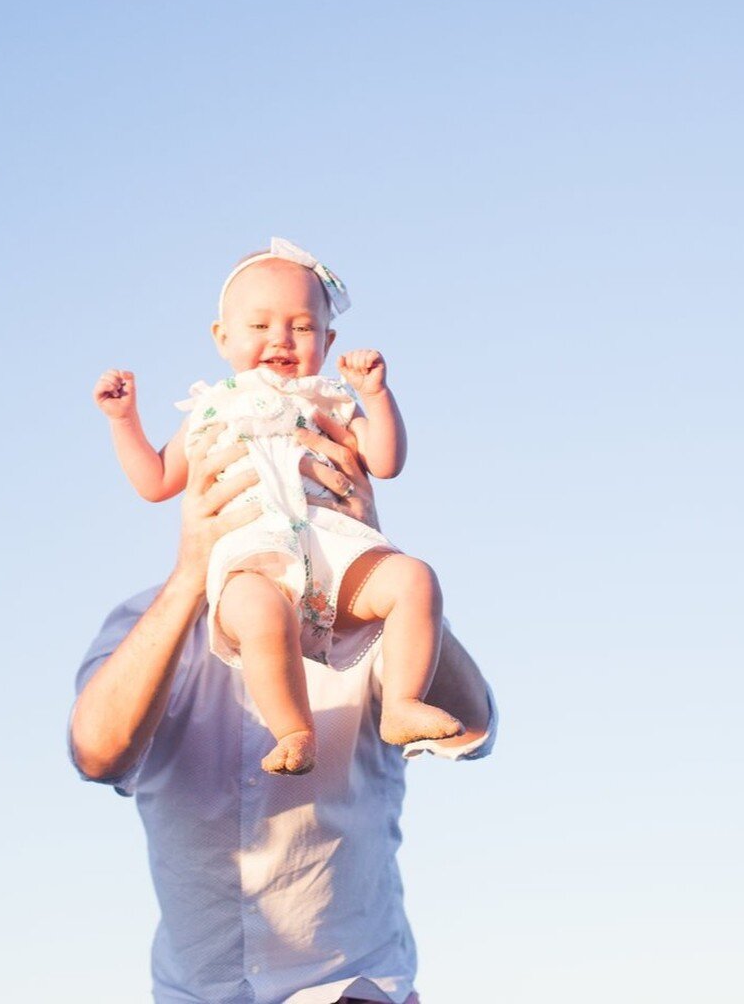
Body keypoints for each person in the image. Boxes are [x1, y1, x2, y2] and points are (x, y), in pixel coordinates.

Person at [69, 415, 498, 1004]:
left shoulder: (366, 622)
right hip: (201, 992)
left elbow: (470, 729)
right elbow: (97, 752)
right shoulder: (143, 621)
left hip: (353, 986)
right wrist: (194, 575)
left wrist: (367, 549)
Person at [92, 239, 463, 776]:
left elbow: (384, 461)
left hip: (336, 550)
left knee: (414, 579)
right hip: (253, 556)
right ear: (222, 338)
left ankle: (402, 703)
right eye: (259, 326)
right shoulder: (210, 407)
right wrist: (123, 422)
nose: (281, 339)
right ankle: (293, 730)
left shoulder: (328, 399)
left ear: (329, 338)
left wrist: (376, 396)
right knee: (260, 614)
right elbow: (156, 481)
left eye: (302, 327)